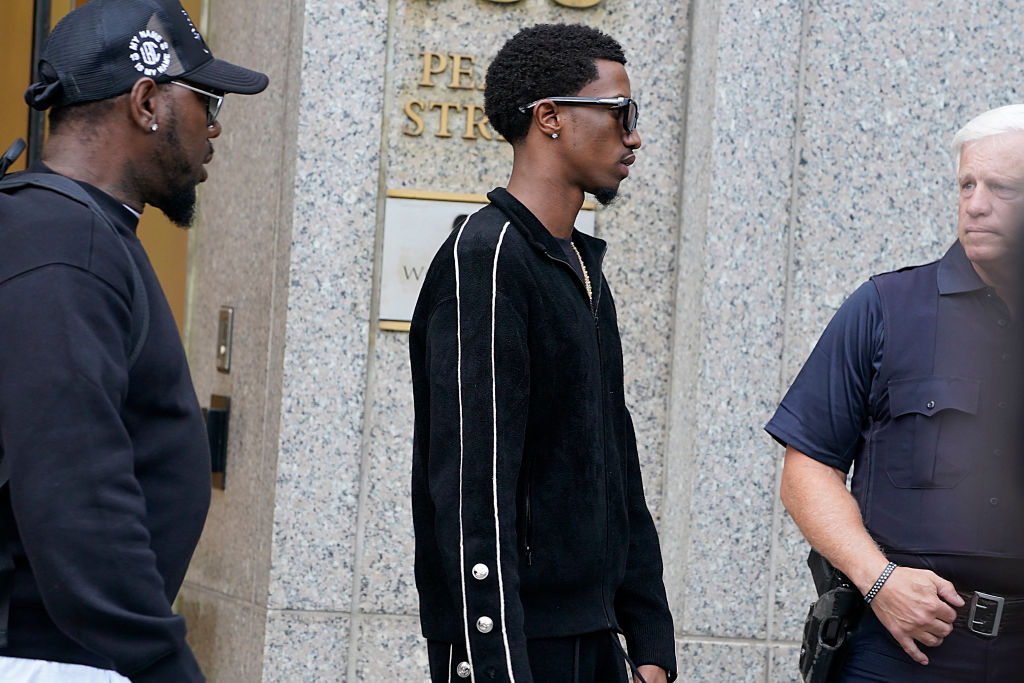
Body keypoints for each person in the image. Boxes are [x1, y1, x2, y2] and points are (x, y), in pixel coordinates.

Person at [0, 1, 267, 681]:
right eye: (206, 101)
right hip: (49, 658)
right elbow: (76, 488)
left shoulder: (72, 231)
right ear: (146, 102)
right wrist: (161, 663)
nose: (214, 127)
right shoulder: (67, 242)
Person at [410, 23, 676, 683]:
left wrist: (649, 639)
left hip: (593, 636)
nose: (634, 136)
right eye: (620, 113)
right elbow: (473, 486)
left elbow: (616, 459)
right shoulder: (488, 256)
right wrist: (497, 662)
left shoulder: (579, 264)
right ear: (550, 118)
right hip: (519, 644)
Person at [766, 105, 1024, 681]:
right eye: (967, 184)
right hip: (900, 651)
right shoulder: (885, 307)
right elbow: (807, 470)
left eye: (1001, 188)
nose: (975, 204)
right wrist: (878, 580)